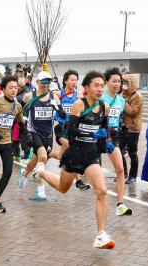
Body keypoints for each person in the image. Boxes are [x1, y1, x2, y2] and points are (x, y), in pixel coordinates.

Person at [32, 71, 115, 249]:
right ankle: (41, 172)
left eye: (102, 85)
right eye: (96, 85)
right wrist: (91, 133)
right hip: (75, 153)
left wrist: (106, 141)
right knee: (63, 189)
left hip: (91, 155)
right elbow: (71, 131)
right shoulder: (79, 104)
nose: (100, 89)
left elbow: (104, 130)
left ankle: (100, 235)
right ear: (86, 88)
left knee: (102, 191)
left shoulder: (104, 107)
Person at [0, 75, 31, 212]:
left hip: (6, 142)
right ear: (4, 89)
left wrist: (26, 134)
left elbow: (20, 122)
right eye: (10, 87)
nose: (14, 90)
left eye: (16, 88)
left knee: (8, 171)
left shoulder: (18, 105)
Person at [21, 71, 63, 200]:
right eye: (43, 82)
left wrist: (59, 111)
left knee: (37, 160)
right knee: (43, 157)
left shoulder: (54, 97)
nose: (46, 85)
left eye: (48, 82)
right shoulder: (29, 96)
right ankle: (41, 188)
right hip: (33, 132)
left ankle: (25, 174)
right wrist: (24, 129)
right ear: (37, 82)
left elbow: (61, 115)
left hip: (48, 133)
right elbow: (19, 110)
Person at [49, 70, 90, 190]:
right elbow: (46, 92)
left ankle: (49, 155)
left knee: (62, 155)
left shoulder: (78, 95)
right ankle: (78, 181)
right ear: (65, 80)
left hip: (72, 128)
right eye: (72, 80)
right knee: (70, 147)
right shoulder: (58, 93)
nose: (74, 82)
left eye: (76, 80)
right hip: (60, 127)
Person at [101, 68, 132, 216]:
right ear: (107, 82)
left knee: (120, 170)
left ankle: (120, 204)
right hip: (98, 136)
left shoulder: (121, 100)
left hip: (113, 136)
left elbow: (118, 119)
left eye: (119, 81)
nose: (117, 84)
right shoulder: (101, 97)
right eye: (114, 81)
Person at [121, 74, 143, 184]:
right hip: (123, 126)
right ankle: (123, 174)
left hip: (133, 128)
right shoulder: (123, 94)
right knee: (119, 151)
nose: (124, 85)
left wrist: (123, 102)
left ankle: (132, 176)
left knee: (132, 153)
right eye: (123, 82)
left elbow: (132, 111)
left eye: (126, 83)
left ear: (132, 83)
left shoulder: (137, 96)